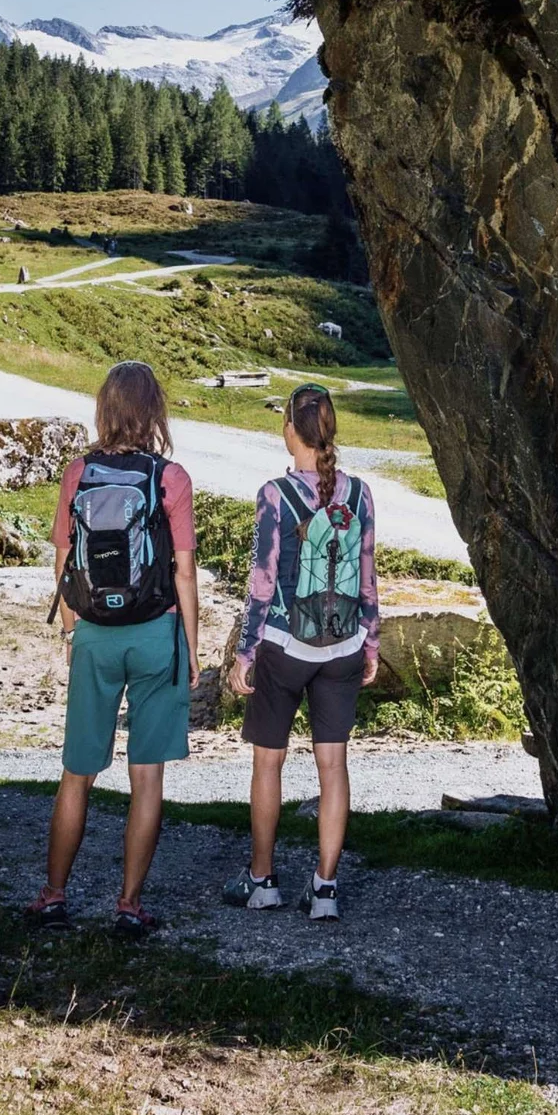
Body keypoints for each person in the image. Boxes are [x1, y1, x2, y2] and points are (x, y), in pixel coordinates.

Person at [31, 361, 201, 936]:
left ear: (105, 408)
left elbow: (63, 558)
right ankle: (128, 905)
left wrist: (72, 628)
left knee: (77, 773)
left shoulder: (79, 472)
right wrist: (192, 647)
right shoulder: (171, 478)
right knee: (146, 776)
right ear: (155, 412)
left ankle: (54, 896)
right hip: (157, 633)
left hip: (95, 636)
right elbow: (184, 572)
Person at [223, 383, 379, 921]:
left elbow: (263, 581)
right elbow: (367, 574)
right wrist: (371, 640)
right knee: (333, 765)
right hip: (343, 646)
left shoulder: (275, 494)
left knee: (269, 762)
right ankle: (325, 888)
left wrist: (245, 652)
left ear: (290, 430)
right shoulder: (360, 494)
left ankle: (262, 880)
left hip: (286, 647)